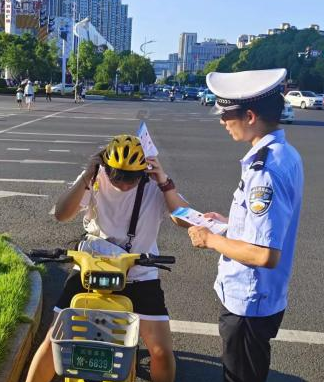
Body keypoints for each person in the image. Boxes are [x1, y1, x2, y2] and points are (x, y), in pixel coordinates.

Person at [25, 135, 190, 382]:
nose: (123, 184)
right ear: (105, 167)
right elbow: (61, 214)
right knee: (53, 342)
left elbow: (184, 220)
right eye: (117, 176)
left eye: (131, 178)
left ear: (144, 171)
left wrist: (165, 182)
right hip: (92, 268)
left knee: (161, 351)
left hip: (139, 274)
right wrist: (86, 176)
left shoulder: (155, 185)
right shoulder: (95, 180)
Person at [187, 68, 304, 382]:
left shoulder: (264, 169)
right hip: (260, 297)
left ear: (250, 116)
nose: (222, 122)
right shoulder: (283, 154)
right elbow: (265, 224)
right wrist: (228, 224)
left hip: (248, 302)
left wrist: (210, 240)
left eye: (226, 115)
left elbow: (265, 254)